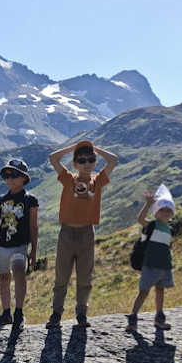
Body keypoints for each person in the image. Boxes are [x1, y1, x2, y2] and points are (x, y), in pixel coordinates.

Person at [46, 140, 117, 328]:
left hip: (87, 233)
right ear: (75, 164)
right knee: (62, 276)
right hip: (66, 233)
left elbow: (113, 160)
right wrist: (73, 148)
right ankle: (56, 313)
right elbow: (53, 158)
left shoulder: (98, 180)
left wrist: (95, 149)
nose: (86, 163)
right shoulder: (69, 178)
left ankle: (81, 313)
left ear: (95, 162)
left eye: (90, 159)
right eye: (81, 160)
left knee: (85, 277)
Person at [0, 158, 38, 330]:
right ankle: (6, 314)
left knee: (19, 271)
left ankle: (19, 312)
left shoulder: (30, 200)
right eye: (6, 175)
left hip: (20, 245)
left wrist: (33, 251)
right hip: (2, 245)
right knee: (4, 277)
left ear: (23, 178)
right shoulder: (0, 199)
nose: (9, 178)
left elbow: (34, 226)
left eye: (14, 174)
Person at [126, 185, 175, 333]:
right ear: (156, 212)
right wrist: (148, 204)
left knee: (160, 291)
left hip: (164, 266)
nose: (165, 213)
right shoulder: (152, 225)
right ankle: (133, 318)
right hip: (150, 265)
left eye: (168, 210)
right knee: (144, 291)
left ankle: (159, 319)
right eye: (162, 210)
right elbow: (140, 219)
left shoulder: (170, 229)